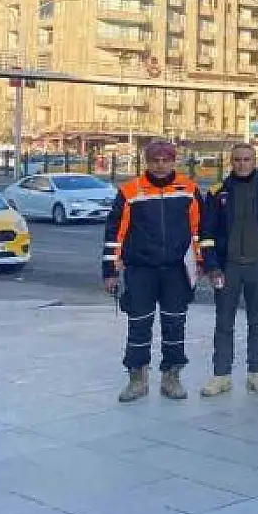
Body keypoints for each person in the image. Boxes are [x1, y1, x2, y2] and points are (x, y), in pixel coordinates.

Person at [103, 140, 205, 403]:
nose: (160, 165)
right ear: (146, 162)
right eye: (154, 161)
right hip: (140, 270)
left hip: (176, 270)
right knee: (139, 324)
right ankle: (137, 379)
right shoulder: (130, 191)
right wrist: (110, 271)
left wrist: (200, 261)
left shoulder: (189, 189)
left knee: (174, 324)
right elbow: (115, 233)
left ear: (174, 161)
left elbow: (198, 230)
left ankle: (172, 377)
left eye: (165, 160)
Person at [199, 144, 258, 398]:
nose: (242, 164)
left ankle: (256, 373)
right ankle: (221, 375)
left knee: (257, 321)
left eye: (247, 159)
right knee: (224, 322)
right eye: (237, 160)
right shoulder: (217, 192)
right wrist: (212, 266)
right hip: (228, 267)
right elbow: (207, 233)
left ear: (254, 161)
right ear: (231, 162)